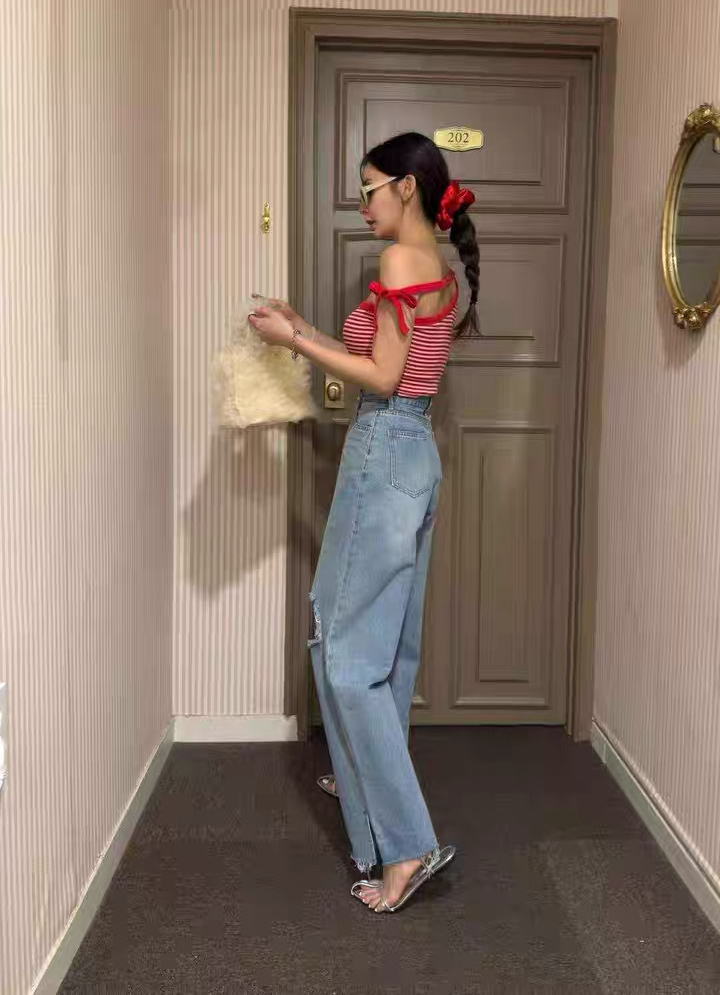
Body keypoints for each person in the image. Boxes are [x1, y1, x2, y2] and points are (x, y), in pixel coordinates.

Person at [248, 131, 480, 913]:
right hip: (414, 451)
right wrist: (303, 328)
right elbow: (397, 365)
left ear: (407, 187)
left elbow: (380, 377)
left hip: (383, 447)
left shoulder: (399, 261)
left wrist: (294, 340)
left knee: (345, 648)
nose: (362, 203)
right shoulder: (435, 264)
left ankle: (405, 846)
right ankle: (363, 781)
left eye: (370, 188)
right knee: (388, 646)